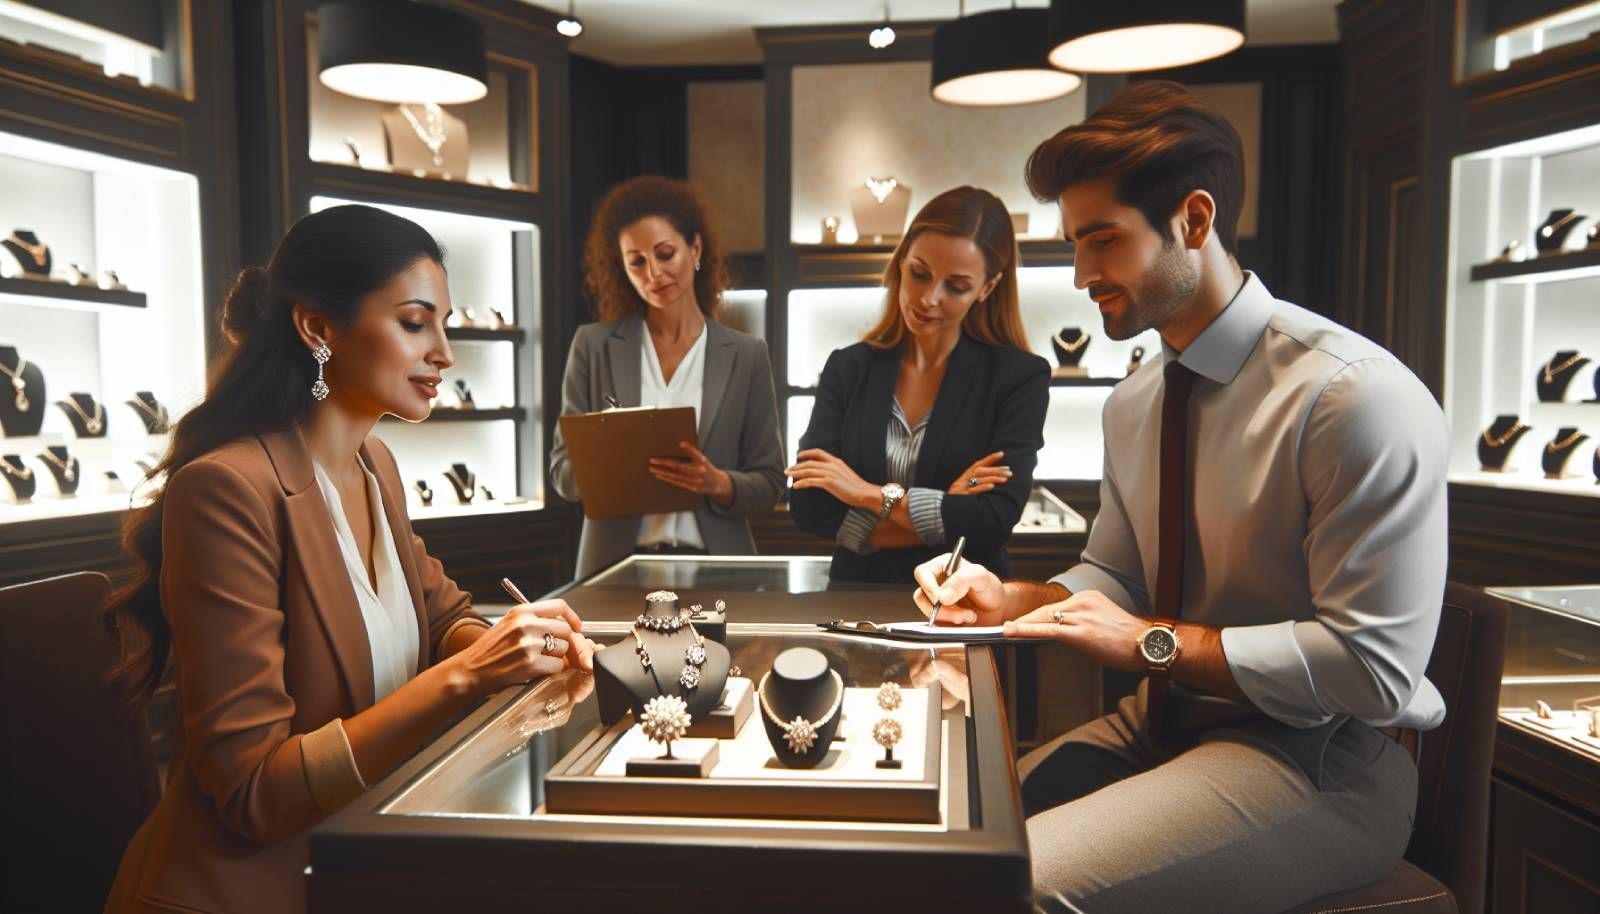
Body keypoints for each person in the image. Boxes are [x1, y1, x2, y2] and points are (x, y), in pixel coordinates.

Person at [913, 81, 1448, 913]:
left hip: (1320, 761)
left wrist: (1152, 645)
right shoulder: (1136, 402)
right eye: (1074, 244)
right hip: (1156, 728)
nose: (1083, 274)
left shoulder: (1353, 398)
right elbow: (1115, 578)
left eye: (1103, 241)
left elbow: (1374, 673)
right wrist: (1013, 598)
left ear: (1193, 221)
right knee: (930, 846)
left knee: (1008, 890)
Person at [103, 205, 597, 914]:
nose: (445, 354)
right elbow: (256, 795)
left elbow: (440, 616)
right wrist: (468, 675)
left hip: (370, 853)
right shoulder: (225, 490)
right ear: (318, 328)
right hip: (254, 888)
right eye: (414, 322)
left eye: (444, 324)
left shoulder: (376, 465)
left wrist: (511, 649)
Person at [788, 186, 1049, 582]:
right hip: (856, 602)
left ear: (987, 288)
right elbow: (809, 506)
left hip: (962, 601)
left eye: (956, 286)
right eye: (919, 273)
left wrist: (866, 494)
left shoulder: (1018, 378)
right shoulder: (848, 367)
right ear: (901, 261)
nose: (928, 299)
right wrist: (946, 509)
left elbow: (993, 520)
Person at [552, 176, 784, 578]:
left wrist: (718, 483)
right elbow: (562, 474)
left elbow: (770, 482)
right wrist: (611, 465)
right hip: (614, 569)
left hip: (718, 568)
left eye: (665, 253)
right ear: (622, 267)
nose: (654, 273)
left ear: (695, 249)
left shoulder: (747, 355)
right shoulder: (593, 346)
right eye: (637, 261)